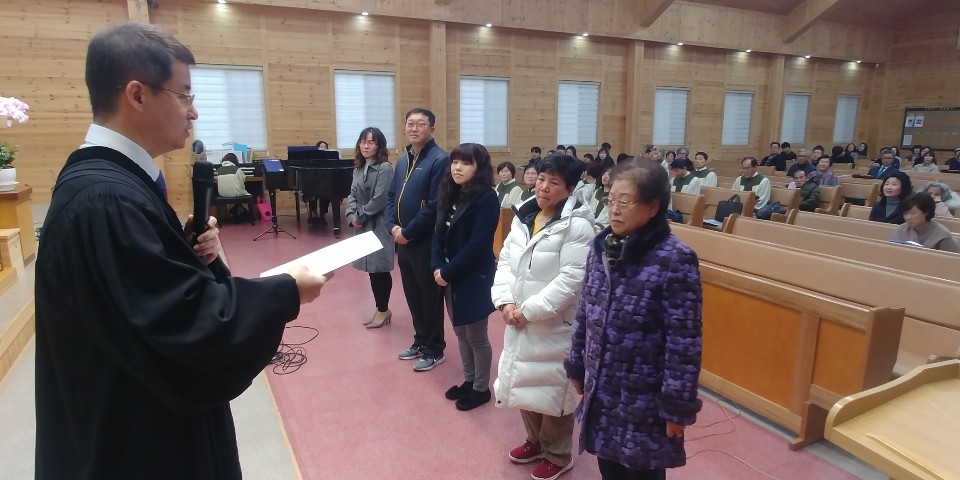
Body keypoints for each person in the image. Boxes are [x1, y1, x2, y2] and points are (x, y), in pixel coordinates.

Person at [34, 22, 328, 480]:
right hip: (136, 442)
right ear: (137, 95)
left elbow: (138, 290)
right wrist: (286, 291)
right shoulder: (106, 201)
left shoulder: (107, 184)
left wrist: (183, 250)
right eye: (184, 94)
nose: (194, 112)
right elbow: (183, 320)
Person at [566, 157, 703, 480]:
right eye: (610, 200)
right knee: (608, 466)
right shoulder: (602, 248)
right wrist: (577, 364)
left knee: (642, 471)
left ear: (653, 207)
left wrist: (676, 404)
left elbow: (684, 342)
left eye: (625, 202)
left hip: (644, 395)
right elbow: (585, 310)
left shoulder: (675, 258)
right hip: (603, 386)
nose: (614, 210)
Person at [491, 154, 594, 480]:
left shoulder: (577, 225)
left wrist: (529, 311)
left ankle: (558, 454)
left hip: (554, 324)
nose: (544, 187)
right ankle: (535, 441)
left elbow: (571, 281)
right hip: (519, 318)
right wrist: (505, 302)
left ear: (571, 188)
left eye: (554, 182)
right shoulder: (524, 215)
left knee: (553, 390)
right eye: (541, 178)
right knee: (525, 380)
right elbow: (505, 262)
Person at [432, 143, 500, 411]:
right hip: (449, 276)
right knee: (460, 332)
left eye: (466, 163)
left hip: (473, 276)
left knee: (477, 337)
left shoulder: (486, 198)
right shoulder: (450, 191)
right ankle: (469, 380)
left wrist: (447, 272)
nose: (457, 168)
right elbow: (437, 235)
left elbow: (477, 244)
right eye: (455, 162)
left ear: (479, 168)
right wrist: (437, 267)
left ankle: (481, 389)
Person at [385, 107, 451, 372]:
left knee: (429, 297)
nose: (414, 128)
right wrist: (392, 226)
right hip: (403, 240)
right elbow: (392, 197)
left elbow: (435, 204)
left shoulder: (440, 160)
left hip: (425, 241)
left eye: (420, 124)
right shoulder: (403, 160)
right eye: (410, 123)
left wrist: (407, 232)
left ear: (431, 129)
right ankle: (421, 340)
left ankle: (435, 349)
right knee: (413, 294)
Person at [345, 127, 395, 329]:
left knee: (379, 269)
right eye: (363, 142)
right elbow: (352, 195)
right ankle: (381, 308)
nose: (366, 146)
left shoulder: (385, 168)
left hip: (379, 224)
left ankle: (383, 309)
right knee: (372, 271)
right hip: (362, 224)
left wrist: (359, 216)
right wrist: (350, 215)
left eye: (371, 142)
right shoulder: (358, 168)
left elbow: (380, 199)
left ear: (379, 145)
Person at [895, 193, 960, 253]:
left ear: (926, 212)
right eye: (905, 213)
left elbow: (953, 259)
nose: (908, 217)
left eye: (913, 213)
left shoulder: (943, 235)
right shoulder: (902, 229)